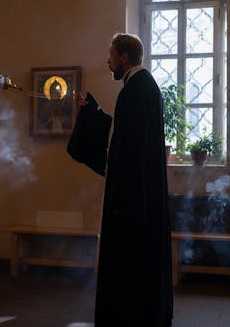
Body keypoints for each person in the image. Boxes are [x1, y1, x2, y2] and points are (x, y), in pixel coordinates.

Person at [71, 33, 173, 327]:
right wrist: (93, 112)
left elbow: (127, 149)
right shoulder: (142, 87)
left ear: (124, 57)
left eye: (111, 55)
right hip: (140, 198)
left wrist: (121, 203)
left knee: (130, 271)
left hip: (131, 204)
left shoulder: (135, 90)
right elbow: (122, 134)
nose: (108, 62)